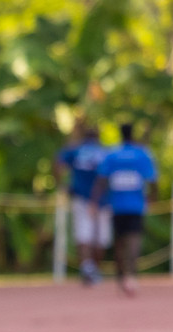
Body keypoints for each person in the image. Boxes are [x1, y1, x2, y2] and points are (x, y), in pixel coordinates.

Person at [93, 122, 157, 296]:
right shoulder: (142, 154)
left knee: (120, 242)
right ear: (133, 134)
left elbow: (101, 180)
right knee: (134, 239)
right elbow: (152, 180)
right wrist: (152, 199)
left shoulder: (112, 155)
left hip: (117, 205)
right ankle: (131, 275)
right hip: (136, 205)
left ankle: (122, 276)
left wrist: (96, 201)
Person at [54, 123, 109, 284]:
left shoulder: (75, 150)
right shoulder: (105, 152)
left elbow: (58, 161)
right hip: (103, 200)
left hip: (81, 197)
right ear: (98, 136)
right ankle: (94, 270)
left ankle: (87, 268)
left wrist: (61, 185)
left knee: (83, 235)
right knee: (100, 238)